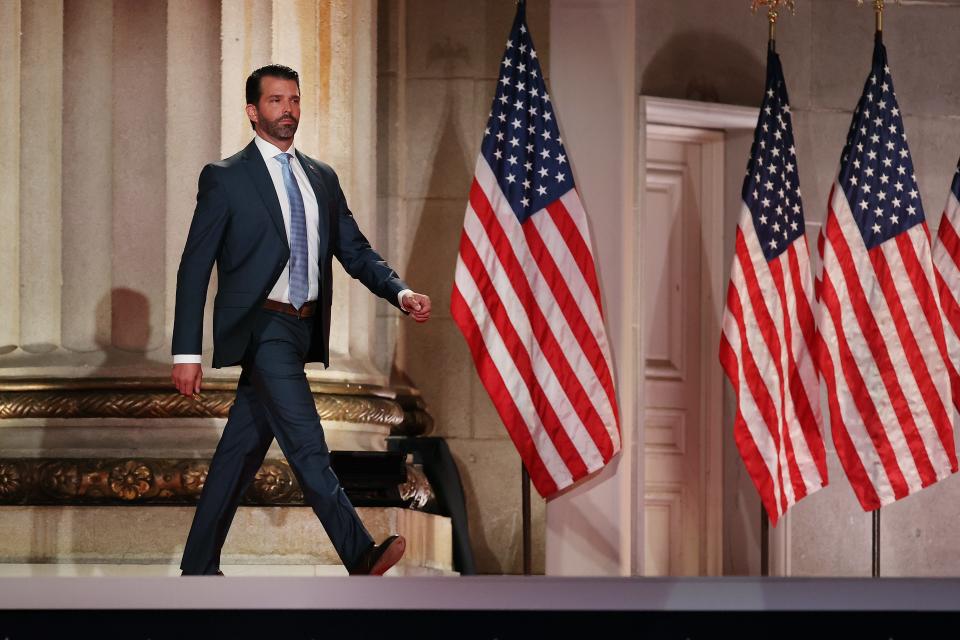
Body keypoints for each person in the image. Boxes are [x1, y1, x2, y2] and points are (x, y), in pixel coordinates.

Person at [171, 64, 431, 576]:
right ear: (253, 111)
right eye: (275, 101)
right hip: (262, 325)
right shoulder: (225, 178)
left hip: (300, 328)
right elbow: (194, 266)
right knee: (308, 442)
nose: (287, 109)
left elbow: (354, 251)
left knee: (239, 453)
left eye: (293, 100)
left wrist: (399, 292)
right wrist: (186, 352)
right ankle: (358, 552)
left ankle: (197, 567)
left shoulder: (321, 177)